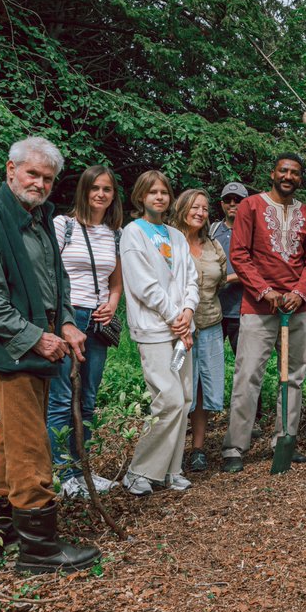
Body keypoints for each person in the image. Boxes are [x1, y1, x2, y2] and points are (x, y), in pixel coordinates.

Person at [0, 136, 99, 573]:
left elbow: (55, 279)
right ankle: (39, 550)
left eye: (47, 178)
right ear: (10, 170)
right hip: (10, 350)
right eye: (32, 174)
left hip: (37, 345)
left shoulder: (40, 217)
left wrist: (66, 323)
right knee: (30, 446)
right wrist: (34, 336)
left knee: (11, 438)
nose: (39, 183)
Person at [221, 153, 306, 473]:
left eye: (295, 173)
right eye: (284, 170)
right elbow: (239, 253)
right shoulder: (251, 206)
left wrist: (298, 293)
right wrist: (265, 291)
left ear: (300, 179)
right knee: (248, 374)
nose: (288, 176)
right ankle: (235, 447)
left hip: (298, 307)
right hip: (258, 305)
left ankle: (285, 438)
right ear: (273, 173)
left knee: (293, 376)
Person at [119, 171, 199, 495]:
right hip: (155, 329)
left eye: (164, 192)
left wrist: (188, 312)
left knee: (185, 400)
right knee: (168, 399)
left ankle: (172, 469)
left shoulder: (176, 236)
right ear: (141, 196)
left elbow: (191, 279)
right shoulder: (132, 234)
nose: (159, 197)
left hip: (182, 329)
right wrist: (173, 317)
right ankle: (139, 471)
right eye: (152, 192)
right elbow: (143, 284)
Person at [46, 165, 124, 499]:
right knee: (62, 397)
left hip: (98, 321)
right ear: (84, 190)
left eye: (107, 189)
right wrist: (59, 319)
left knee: (89, 398)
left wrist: (113, 304)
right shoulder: (62, 226)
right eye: (95, 188)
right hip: (68, 316)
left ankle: (84, 471)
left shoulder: (114, 232)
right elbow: (48, 274)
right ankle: (65, 474)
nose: (101, 194)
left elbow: (116, 281)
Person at [172, 189, 228, 473]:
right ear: (182, 209)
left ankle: (198, 449)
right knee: (179, 390)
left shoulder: (212, 245)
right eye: (195, 207)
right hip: (178, 328)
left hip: (210, 323)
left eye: (205, 209)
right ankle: (171, 452)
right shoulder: (169, 241)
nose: (200, 213)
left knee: (204, 389)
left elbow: (220, 279)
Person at [210, 182, 261, 439]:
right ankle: (205, 415)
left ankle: (253, 418)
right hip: (214, 311)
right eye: (228, 200)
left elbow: (254, 269)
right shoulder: (212, 231)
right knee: (207, 365)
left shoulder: (254, 232)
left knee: (248, 367)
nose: (233, 205)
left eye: (238, 200)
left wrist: (226, 279)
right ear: (221, 204)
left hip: (244, 310)